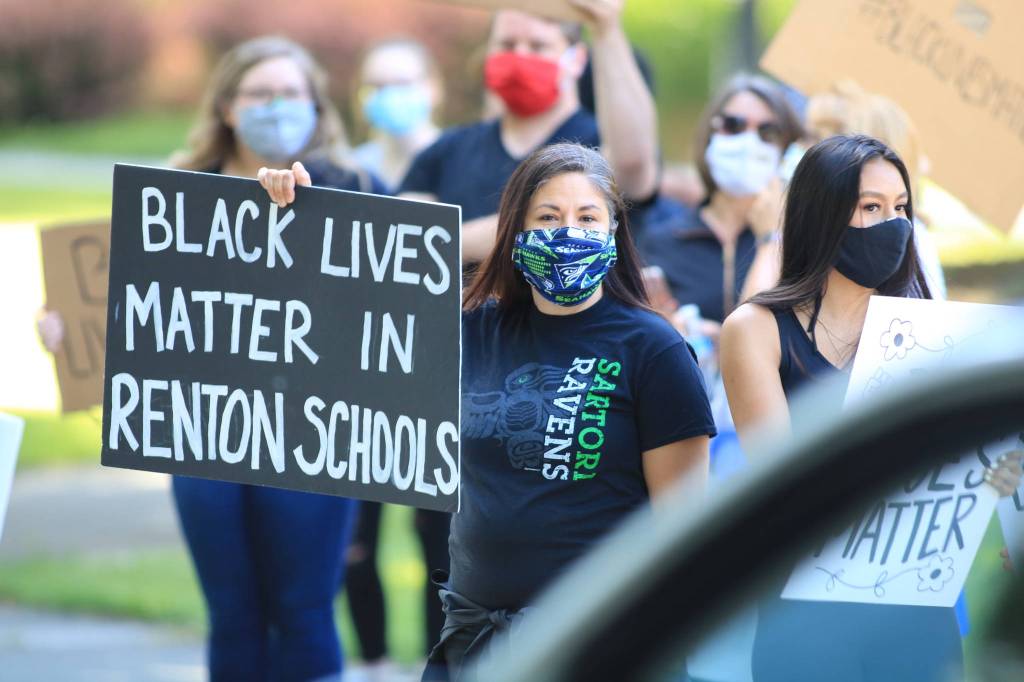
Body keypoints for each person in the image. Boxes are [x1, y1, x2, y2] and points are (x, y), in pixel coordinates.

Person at [257, 142, 716, 681]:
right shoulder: (468, 331)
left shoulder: (652, 348)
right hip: (476, 639)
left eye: (587, 217)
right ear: (515, 232)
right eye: (548, 217)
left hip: (601, 640)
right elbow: (339, 336)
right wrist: (302, 221)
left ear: (614, 232)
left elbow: (681, 526)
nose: (568, 232)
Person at [41, 36, 384, 682]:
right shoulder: (177, 200)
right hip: (205, 439)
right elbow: (144, 320)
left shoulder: (358, 189)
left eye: (291, 93)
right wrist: (78, 337)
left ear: (316, 106)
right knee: (232, 613)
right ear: (227, 107)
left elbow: (389, 317)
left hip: (310, 439)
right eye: (260, 93)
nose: (276, 106)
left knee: (306, 610)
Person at [719, 134, 1022, 682]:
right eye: (871, 207)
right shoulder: (758, 331)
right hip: (804, 616)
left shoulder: (936, 334)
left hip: (917, 612)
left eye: (902, 207)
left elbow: (978, 464)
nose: (893, 224)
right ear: (822, 214)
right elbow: (780, 486)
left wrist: (1008, 518)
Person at [398, 2, 659, 266]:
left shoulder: (597, 147)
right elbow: (399, 240)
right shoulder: (448, 151)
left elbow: (632, 165)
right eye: (507, 45)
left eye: (538, 46)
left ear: (576, 60)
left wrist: (606, 29)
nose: (520, 57)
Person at [639, 73, 803, 331]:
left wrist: (771, 238)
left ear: (788, 149)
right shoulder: (663, 240)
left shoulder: (798, 243)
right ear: (710, 132)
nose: (748, 142)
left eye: (767, 131)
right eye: (733, 125)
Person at [351, 38, 443, 191]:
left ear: (432, 88)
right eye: (377, 86)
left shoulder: (458, 161)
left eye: (402, 83)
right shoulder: (354, 168)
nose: (389, 95)